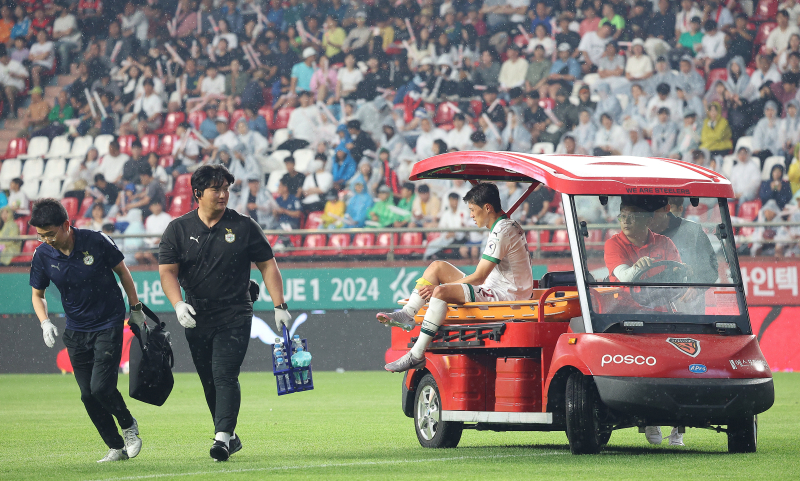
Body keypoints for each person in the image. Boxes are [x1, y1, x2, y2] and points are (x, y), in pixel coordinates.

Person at [158, 164, 290, 461]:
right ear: (197, 194)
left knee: (224, 373)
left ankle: (220, 439)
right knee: (208, 379)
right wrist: (178, 304)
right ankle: (229, 433)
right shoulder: (178, 229)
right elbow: (167, 271)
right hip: (196, 315)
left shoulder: (244, 226)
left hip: (236, 313)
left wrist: (279, 305)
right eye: (216, 189)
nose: (223, 195)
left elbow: (268, 264)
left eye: (226, 189)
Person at [29, 198, 145, 463]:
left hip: (108, 323)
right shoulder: (43, 255)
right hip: (76, 329)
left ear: (66, 225)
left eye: (50, 234)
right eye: (40, 235)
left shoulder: (97, 241)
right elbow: (38, 294)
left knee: (101, 387)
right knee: (87, 394)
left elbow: (123, 273)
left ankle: (129, 427)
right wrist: (44, 322)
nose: (45, 239)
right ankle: (115, 447)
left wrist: (135, 308)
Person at [378, 183, 533, 372]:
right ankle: (408, 313)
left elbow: (478, 277)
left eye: (473, 210)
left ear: (487, 208)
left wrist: (437, 290)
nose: (471, 215)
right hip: (497, 287)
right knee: (437, 267)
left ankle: (416, 355)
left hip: (506, 296)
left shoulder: (502, 231)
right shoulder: (506, 225)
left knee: (441, 292)